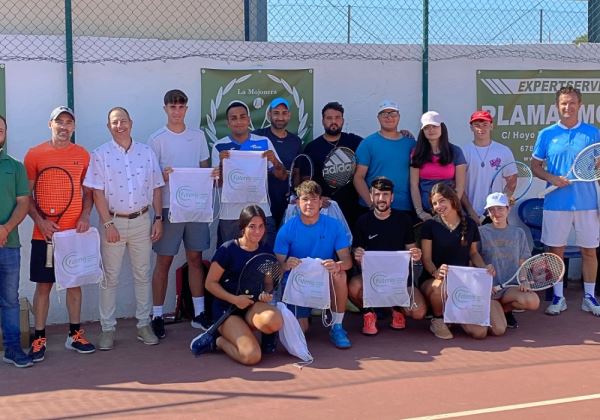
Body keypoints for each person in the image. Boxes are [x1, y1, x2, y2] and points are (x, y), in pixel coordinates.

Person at [84, 107, 165, 350]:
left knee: (142, 274)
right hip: (113, 223)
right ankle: (107, 329)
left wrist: (158, 218)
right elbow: (96, 191)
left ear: (131, 122)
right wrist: (107, 222)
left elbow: (156, 187)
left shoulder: (146, 152)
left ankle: (143, 325)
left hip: (142, 221)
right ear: (109, 127)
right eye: (115, 122)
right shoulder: (100, 154)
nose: (120, 126)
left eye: (123, 121)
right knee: (109, 278)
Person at [24, 106, 96, 362]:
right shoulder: (34, 155)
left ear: (73, 127)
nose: (64, 126)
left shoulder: (83, 155)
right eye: (59, 122)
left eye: (68, 122)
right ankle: (39, 337)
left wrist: (86, 215)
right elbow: (26, 197)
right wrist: (41, 222)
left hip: (73, 235)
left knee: (73, 284)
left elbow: (88, 193)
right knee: (44, 286)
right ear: (50, 124)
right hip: (42, 235)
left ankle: (74, 335)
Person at [148, 89, 212, 339]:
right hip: (167, 208)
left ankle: (198, 313)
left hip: (195, 207)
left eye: (181, 107)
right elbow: (151, 178)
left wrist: (213, 175)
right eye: (172, 107)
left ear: (187, 108)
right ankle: (156, 315)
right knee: (163, 261)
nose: (177, 111)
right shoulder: (157, 139)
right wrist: (161, 177)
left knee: (195, 259)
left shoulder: (198, 136)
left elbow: (205, 170)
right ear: (165, 108)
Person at [531, 86, 600, 316]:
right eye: (563, 103)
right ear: (557, 106)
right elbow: (536, 166)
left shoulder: (593, 133)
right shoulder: (547, 134)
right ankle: (558, 298)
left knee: (589, 252)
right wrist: (552, 178)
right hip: (556, 204)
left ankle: (589, 298)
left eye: (572, 103)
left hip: (587, 203)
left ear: (580, 105)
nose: (567, 107)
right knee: (555, 252)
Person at [195, 205, 283, 365]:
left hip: (252, 307)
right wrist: (234, 299)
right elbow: (210, 283)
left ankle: (250, 333)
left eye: (261, 226)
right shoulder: (228, 249)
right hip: (227, 310)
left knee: (275, 320)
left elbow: (268, 284)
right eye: (252, 226)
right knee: (252, 356)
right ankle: (217, 341)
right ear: (242, 227)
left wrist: (266, 294)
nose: (257, 231)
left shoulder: (266, 250)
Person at [274, 180, 354, 349]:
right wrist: (286, 264)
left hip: (323, 281)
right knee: (300, 331)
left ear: (320, 202)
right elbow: (276, 269)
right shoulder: (287, 229)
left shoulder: (334, 226)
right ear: (297, 202)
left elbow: (347, 262)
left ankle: (337, 326)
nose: (309, 203)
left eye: (313, 199)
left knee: (340, 274)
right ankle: (304, 316)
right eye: (305, 199)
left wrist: (337, 265)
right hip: (298, 284)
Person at [420, 183, 504, 340]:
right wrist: (436, 272)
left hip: (463, 283)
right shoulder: (429, 226)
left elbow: (473, 253)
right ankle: (438, 319)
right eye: (435, 203)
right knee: (439, 287)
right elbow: (426, 259)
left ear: (452, 200)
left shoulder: (470, 224)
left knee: (486, 332)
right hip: (433, 280)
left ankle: (459, 313)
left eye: (442, 201)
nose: (439, 206)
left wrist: (484, 268)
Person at [348, 177, 426, 335]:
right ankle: (369, 314)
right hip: (374, 278)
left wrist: (416, 254)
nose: (381, 199)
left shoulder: (404, 220)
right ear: (371, 196)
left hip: (400, 280)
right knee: (354, 287)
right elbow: (357, 253)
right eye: (377, 194)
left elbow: (411, 250)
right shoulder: (363, 221)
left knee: (418, 313)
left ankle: (396, 310)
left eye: (385, 194)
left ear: (392, 197)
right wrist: (357, 254)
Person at [212, 101, 287, 249]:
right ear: (228, 123)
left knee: (264, 260)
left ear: (249, 120)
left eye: (242, 117)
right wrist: (221, 164)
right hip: (230, 215)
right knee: (229, 263)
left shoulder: (264, 142)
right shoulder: (219, 146)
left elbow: (282, 176)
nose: (238, 121)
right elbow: (217, 184)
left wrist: (274, 161)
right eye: (233, 118)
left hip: (261, 211)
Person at [0, 115, 33, 368]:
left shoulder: (15, 166)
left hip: (8, 246)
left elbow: (24, 203)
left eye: (0, 130)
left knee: (10, 300)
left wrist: (6, 228)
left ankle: (12, 349)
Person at [478, 192, 539, 329]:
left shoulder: (518, 233)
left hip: (509, 288)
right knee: (498, 329)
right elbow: (473, 257)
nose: (496, 213)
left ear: (508, 209)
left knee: (532, 301)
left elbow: (523, 260)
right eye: (491, 209)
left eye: (500, 208)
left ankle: (505, 310)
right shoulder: (481, 232)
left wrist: (524, 280)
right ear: (488, 212)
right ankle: (495, 310)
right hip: (489, 290)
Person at [303, 101, 363, 231]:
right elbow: (306, 181)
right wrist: (317, 198)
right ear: (323, 120)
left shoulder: (355, 142)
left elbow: (376, 145)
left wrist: (402, 133)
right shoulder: (312, 147)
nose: (333, 121)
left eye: (337, 117)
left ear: (343, 120)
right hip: (324, 208)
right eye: (329, 118)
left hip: (353, 208)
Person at [354, 100, 416, 221]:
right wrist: (371, 205)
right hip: (374, 210)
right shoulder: (368, 144)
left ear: (399, 117)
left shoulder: (412, 144)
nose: (389, 117)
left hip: (405, 208)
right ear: (378, 118)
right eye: (384, 114)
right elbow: (358, 177)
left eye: (393, 113)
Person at [252, 97, 302, 227]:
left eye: (284, 113)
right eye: (276, 113)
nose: (280, 117)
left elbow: (297, 171)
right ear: (269, 115)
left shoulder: (295, 141)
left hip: (285, 200)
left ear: (289, 115)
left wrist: (296, 195)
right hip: (261, 197)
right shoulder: (257, 136)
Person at [461, 110, 517, 224]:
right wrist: (470, 211)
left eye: (485, 124)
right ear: (471, 128)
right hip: (469, 214)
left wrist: (499, 205)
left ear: (491, 126)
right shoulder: (464, 151)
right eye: (477, 125)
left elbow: (512, 182)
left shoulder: (503, 151)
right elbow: (459, 186)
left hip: (495, 215)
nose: (481, 128)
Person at [410, 111, 466, 221]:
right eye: (427, 127)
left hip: (451, 212)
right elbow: (413, 184)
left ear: (442, 128)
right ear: (422, 131)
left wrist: (451, 208)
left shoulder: (455, 151)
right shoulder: (416, 153)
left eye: (434, 126)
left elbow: (460, 186)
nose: (431, 130)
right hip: (426, 215)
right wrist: (420, 212)